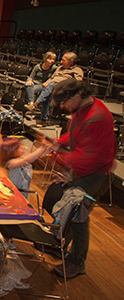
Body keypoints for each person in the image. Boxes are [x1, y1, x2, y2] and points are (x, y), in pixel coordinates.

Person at [46, 79, 115, 279]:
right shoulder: (81, 111)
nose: (62, 107)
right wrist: (59, 143)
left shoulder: (98, 117)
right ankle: (60, 245)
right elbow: (77, 136)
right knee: (66, 208)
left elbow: (95, 157)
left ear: (77, 95)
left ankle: (77, 262)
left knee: (78, 216)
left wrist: (61, 158)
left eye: (64, 101)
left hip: (95, 174)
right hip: (84, 169)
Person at [25, 52, 84, 125]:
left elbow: (77, 83)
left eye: (63, 60)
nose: (61, 62)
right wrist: (47, 82)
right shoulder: (60, 68)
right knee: (42, 91)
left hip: (63, 88)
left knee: (50, 88)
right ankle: (43, 118)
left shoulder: (77, 70)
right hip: (51, 86)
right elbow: (52, 77)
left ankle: (35, 104)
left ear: (71, 61)